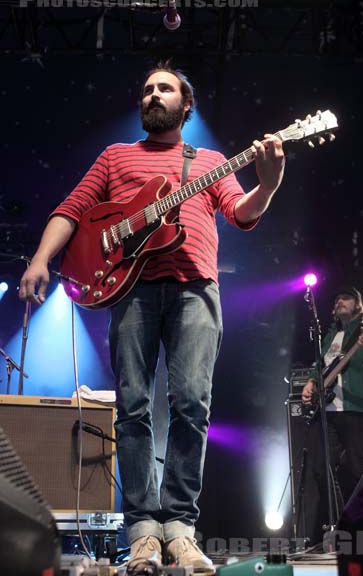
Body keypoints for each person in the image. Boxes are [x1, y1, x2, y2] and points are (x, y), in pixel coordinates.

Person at [19, 60, 285, 572]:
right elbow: (71, 209)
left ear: (186, 106)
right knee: (133, 409)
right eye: (146, 89)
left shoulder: (207, 160)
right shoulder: (116, 156)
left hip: (195, 289)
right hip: (131, 289)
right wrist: (39, 259)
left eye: (164, 89)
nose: (152, 95)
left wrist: (268, 185)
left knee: (191, 406)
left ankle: (180, 529)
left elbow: (241, 213)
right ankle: (142, 531)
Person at [301, 286, 363, 545]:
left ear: (358, 305)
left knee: (356, 469)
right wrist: (310, 382)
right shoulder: (330, 335)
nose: (340, 301)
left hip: (358, 409)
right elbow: (321, 366)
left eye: (346, 298)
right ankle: (337, 527)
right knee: (319, 467)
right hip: (327, 411)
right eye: (337, 298)